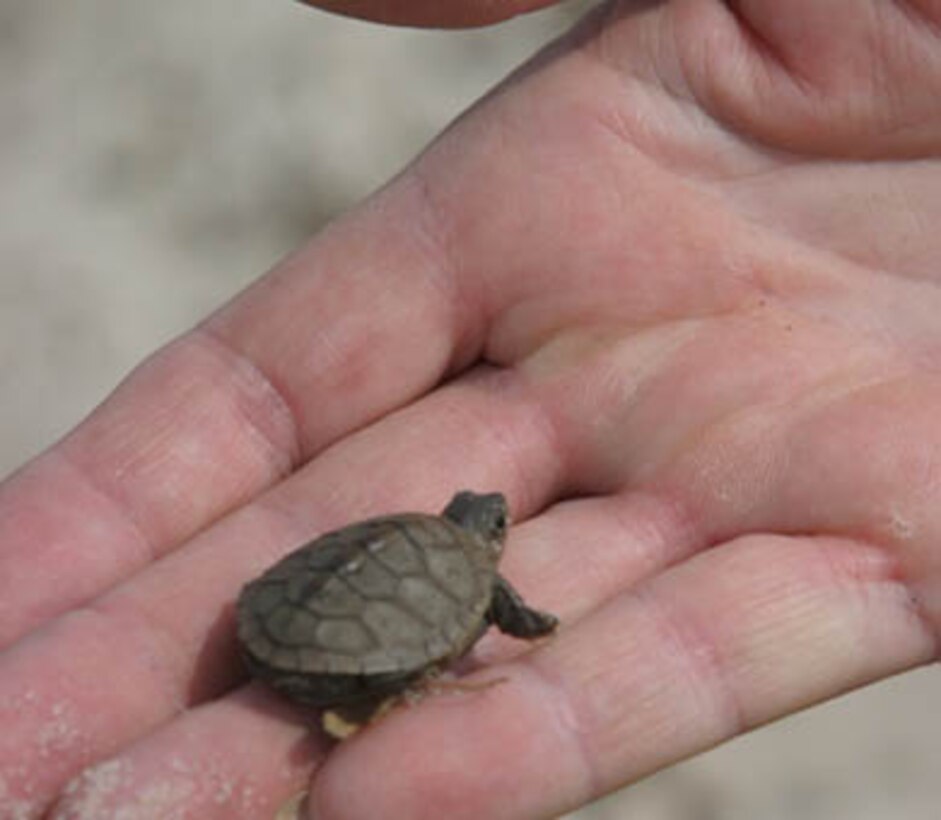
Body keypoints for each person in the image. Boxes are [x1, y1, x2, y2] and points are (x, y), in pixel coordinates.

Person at [2, 1, 940, 817]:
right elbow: (512, 618)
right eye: (491, 527)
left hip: (267, 629)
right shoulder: (474, 571)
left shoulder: (422, 536)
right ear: (490, 542)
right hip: (345, 657)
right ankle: (362, 691)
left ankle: (332, 686)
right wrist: (533, 627)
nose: (490, 526)